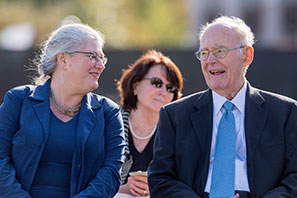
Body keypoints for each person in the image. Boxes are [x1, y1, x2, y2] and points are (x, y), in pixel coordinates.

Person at [148, 15, 297, 198]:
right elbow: (161, 178)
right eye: (204, 53)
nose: (210, 60)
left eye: (220, 51)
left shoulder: (285, 113)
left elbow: (294, 177)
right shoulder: (174, 115)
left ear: (247, 56)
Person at [0, 23, 125, 198]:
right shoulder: (18, 100)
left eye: (101, 58)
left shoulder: (109, 113)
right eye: (92, 56)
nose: (100, 65)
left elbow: (111, 173)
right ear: (63, 59)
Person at [114, 50, 183, 198]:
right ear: (135, 86)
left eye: (170, 88)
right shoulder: (110, 125)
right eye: (156, 83)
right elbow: (90, 179)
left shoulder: (178, 133)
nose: (163, 92)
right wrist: (124, 189)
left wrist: (160, 189)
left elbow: (183, 183)